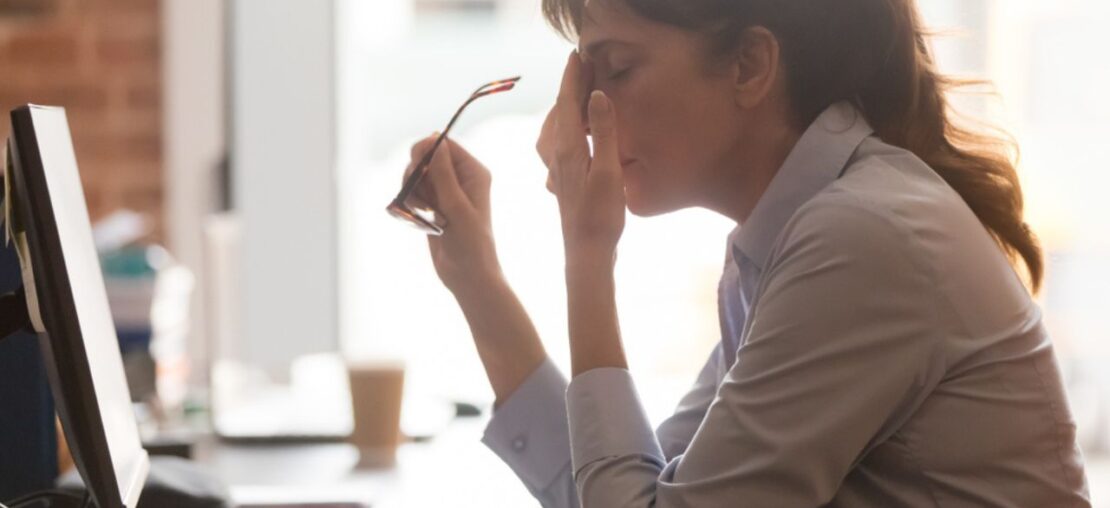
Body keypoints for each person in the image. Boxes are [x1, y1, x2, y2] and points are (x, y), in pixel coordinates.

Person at [399, 0, 1091, 506]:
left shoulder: (860, 241)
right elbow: (618, 489)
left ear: (750, 66)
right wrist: (477, 280)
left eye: (615, 69)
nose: (580, 118)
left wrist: (588, 254)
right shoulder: (798, 235)